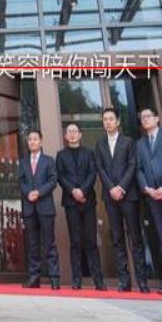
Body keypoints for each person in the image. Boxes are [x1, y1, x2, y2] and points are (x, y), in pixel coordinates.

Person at [94, 108, 149, 293]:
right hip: (110, 197)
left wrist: (121, 187)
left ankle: (142, 281)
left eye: (111, 119)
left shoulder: (128, 142)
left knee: (136, 238)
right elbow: (100, 168)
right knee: (117, 238)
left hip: (128, 196)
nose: (107, 122)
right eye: (105, 119)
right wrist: (111, 188)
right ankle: (124, 281)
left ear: (118, 122)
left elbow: (133, 165)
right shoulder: (100, 144)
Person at [56, 122, 105, 291]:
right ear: (65, 135)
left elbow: (93, 173)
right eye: (69, 132)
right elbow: (61, 177)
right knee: (75, 241)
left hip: (88, 201)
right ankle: (76, 280)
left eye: (75, 131)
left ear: (80, 134)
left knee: (91, 241)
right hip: (71, 202)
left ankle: (98, 280)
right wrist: (73, 191)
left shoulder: (89, 153)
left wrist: (82, 191)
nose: (72, 134)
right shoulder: (61, 155)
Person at [18, 130, 60, 290]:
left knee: (49, 243)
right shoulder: (23, 162)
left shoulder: (49, 161)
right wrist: (29, 192)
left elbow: (53, 180)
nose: (32, 142)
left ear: (41, 142)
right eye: (30, 140)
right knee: (33, 244)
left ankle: (54, 277)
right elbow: (21, 181)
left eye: (35, 139)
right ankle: (34, 277)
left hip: (45, 207)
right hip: (29, 208)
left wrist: (38, 192)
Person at [135, 107, 162, 294]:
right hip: (151, 197)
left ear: (157, 118)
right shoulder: (140, 144)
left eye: (148, 116)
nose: (145, 120)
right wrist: (146, 188)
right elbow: (138, 169)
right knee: (158, 237)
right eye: (142, 118)